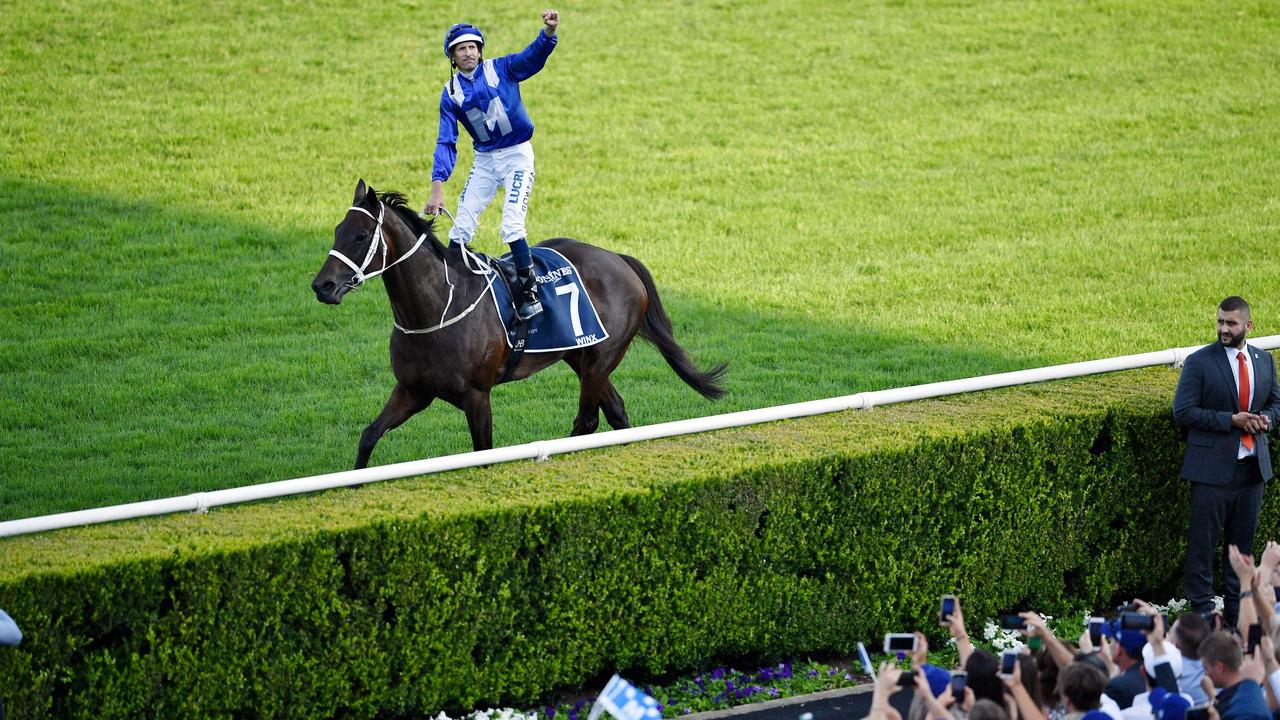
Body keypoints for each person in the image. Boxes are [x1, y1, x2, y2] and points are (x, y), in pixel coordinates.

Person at [423, 10, 561, 321]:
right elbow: (446, 141)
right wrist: (437, 189)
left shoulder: (501, 68)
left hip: (517, 156)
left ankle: (530, 293)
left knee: (511, 225)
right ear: (452, 58)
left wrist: (548, 34)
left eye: (472, 47)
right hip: (485, 161)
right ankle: (457, 292)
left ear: (480, 50)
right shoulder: (451, 93)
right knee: (460, 230)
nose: (468, 52)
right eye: (461, 49)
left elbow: (531, 59)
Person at [1173, 296, 1280, 626]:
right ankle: (1202, 612)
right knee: (1202, 546)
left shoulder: (1264, 360)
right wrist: (1229, 420)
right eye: (1220, 321)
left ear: (1248, 325)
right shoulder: (1200, 361)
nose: (1223, 328)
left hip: (1252, 472)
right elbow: (1183, 412)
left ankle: (1238, 615)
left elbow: (1276, 403)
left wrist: (1266, 420)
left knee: (1242, 549)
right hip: (1211, 472)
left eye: (1231, 323)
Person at [1198, 631, 1270, 720]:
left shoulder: (1233, 708)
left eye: (1206, 668)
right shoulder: (1256, 695)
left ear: (1220, 668)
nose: (1205, 674)